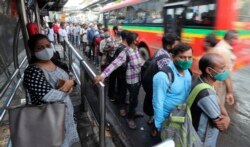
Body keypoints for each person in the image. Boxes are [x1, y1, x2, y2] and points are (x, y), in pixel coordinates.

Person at [23, 34, 80, 147]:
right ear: (33, 52)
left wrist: (71, 82)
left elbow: (72, 77)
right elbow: (47, 95)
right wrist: (68, 87)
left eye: (48, 45)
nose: (46, 49)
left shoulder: (56, 61)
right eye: (40, 48)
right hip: (49, 120)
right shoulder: (33, 71)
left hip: (67, 115)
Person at [95, 32, 143, 129]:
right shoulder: (125, 52)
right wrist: (103, 75)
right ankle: (130, 118)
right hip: (131, 80)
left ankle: (133, 112)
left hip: (138, 79)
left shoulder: (136, 49)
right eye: (137, 39)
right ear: (133, 41)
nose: (139, 40)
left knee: (135, 98)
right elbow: (114, 64)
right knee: (132, 99)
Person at [191, 53, 231, 146]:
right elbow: (222, 125)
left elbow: (217, 101)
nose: (225, 71)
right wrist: (227, 119)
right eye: (221, 68)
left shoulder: (201, 81)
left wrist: (227, 116)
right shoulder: (206, 94)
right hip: (202, 140)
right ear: (209, 70)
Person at [153, 43, 193, 131]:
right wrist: (160, 125)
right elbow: (158, 102)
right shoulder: (163, 76)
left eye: (189, 57)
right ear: (172, 57)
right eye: (182, 57)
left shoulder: (188, 72)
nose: (186, 60)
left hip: (181, 115)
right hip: (167, 118)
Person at [143, 34, 178, 125]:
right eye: (175, 45)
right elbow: (170, 76)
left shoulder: (161, 51)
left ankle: (152, 118)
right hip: (156, 86)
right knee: (157, 103)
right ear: (168, 46)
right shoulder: (165, 59)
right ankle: (156, 124)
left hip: (151, 82)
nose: (176, 47)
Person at [212, 30, 238, 105]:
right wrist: (230, 92)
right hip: (219, 83)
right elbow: (226, 73)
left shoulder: (222, 46)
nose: (237, 41)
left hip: (217, 80)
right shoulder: (224, 50)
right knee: (218, 104)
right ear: (230, 39)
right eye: (236, 38)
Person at [113, 30, 129, 116]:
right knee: (121, 90)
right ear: (126, 38)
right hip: (122, 74)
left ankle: (122, 101)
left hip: (123, 74)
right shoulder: (121, 48)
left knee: (123, 90)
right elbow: (123, 65)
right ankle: (121, 107)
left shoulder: (124, 47)